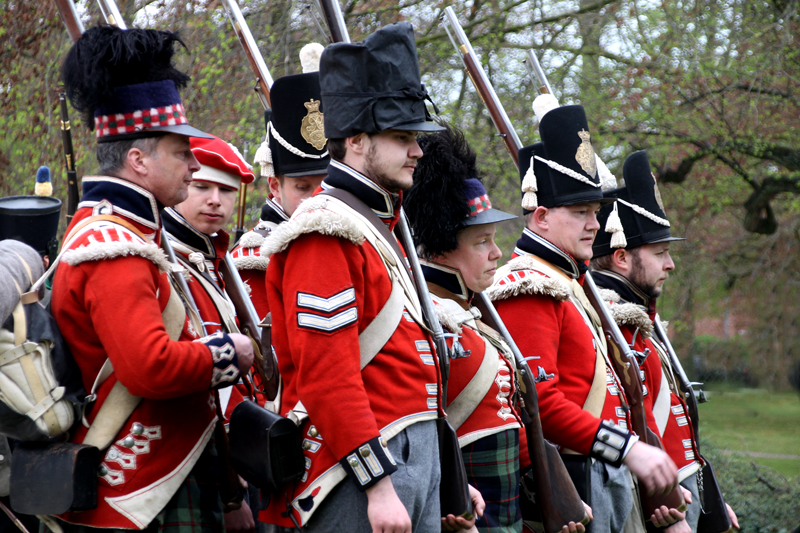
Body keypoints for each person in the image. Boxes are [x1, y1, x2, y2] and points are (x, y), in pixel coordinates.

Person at [259, 23, 482, 532]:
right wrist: (379, 484)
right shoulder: (325, 231)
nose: (417, 151)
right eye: (402, 138)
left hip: (410, 464)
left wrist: (443, 474)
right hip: (355, 474)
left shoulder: (377, 225)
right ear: (357, 141)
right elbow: (327, 376)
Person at [51, 26, 254, 531]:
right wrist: (232, 353)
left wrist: (229, 493)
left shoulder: (136, 233)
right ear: (138, 160)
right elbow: (149, 369)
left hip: (172, 478)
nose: (194, 165)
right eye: (182, 153)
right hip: (137, 492)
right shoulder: (111, 245)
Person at [486, 101, 679, 533]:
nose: (594, 224)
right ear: (541, 217)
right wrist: (626, 448)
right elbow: (540, 402)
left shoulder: (571, 279)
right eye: (580, 213)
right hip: (579, 472)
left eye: (594, 211)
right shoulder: (529, 284)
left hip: (604, 468)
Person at [590, 150, 740, 532]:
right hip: (660, 504)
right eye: (660, 253)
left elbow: (673, 421)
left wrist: (711, 496)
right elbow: (628, 426)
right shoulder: (613, 327)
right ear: (621, 258)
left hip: (683, 491)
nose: (670, 264)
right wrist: (665, 503)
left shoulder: (640, 322)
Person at [404, 125, 529, 532]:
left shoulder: (471, 315)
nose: (497, 253)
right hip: (463, 511)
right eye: (481, 242)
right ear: (442, 247)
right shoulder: (429, 318)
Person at [162, 134, 257, 533]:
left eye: (227, 191)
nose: (216, 200)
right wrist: (230, 493)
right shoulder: (165, 262)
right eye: (202, 186)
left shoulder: (213, 261)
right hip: (197, 462)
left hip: (240, 455)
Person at [231, 43, 329, 320]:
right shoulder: (255, 258)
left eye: (326, 185)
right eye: (303, 187)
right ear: (275, 186)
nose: (318, 197)